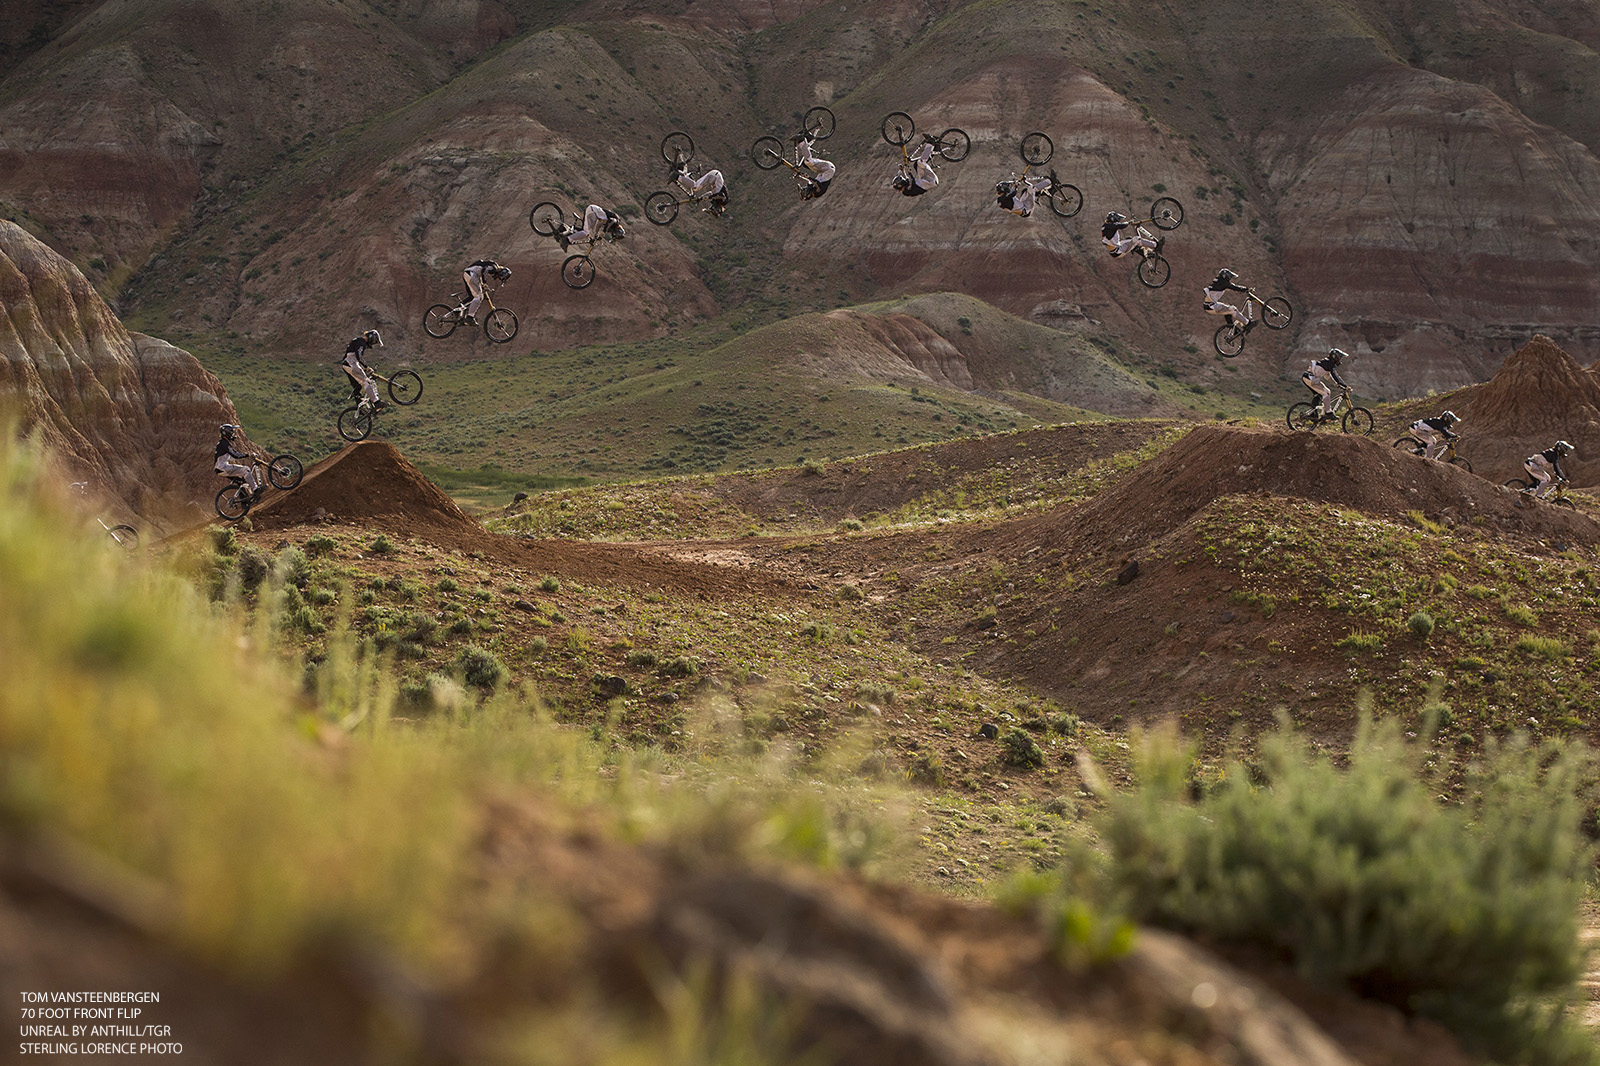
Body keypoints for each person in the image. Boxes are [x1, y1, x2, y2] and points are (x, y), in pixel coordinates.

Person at [1301, 348, 1351, 421]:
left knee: (1319, 395)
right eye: (1339, 357)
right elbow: (1335, 376)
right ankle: (1328, 413)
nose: (1340, 360)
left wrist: (1336, 384)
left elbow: (1328, 377)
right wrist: (1345, 386)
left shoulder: (1326, 362)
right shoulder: (1330, 364)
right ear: (1335, 357)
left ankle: (1313, 414)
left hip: (1307, 377)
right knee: (1326, 393)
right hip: (1311, 379)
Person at [213, 424, 260, 499]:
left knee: (240, 481)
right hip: (223, 468)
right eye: (231, 432)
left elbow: (230, 457)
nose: (232, 434)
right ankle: (256, 490)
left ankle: (244, 501)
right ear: (226, 433)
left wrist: (245, 456)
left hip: (220, 469)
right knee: (246, 469)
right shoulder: (224, 443)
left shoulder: (222, 443)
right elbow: (235, 455)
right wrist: (248, 455)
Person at [342, 329, 384, 410]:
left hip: (347, 364)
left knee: (357, 387)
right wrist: (366, 367)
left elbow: (355, 356)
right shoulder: (361, 342)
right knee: (366, 382)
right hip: (351, 364)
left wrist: (363, 368)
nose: (372, 344)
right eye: (373, 342)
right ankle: (376, 402)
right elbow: (359, 356)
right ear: (371, 338)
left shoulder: (358, 341)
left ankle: (359, 408)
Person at [461, 259, 509, 324]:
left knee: (472, 297)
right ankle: (470, 317)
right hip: (471, 274)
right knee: (479, 296)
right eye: (500, 276)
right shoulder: (494, 267)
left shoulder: (492, 264)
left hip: (468, 273)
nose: (498, 277)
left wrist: (482, 284)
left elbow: (480, 270)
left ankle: (458, 310)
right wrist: (484, 283)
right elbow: (484, 270)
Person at [561, 205, 627, 250]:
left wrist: (595, 235)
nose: (611, 233)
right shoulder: (615, 221)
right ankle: (566, 240)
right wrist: (603, 232)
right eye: (613, 233)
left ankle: (564, 230)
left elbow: (599, 224)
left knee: (583, 231)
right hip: (593, 212)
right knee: (586, 232)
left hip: (593, 211)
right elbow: (610, 222)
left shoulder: (607, 219)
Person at [793, 132, 835, 200]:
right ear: (808, 195)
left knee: (804, 163)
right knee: (809, 161)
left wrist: (799, 177)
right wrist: (808, 177)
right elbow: (816, 183)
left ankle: (808, 139)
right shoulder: (816, 193)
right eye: (805, 191)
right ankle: (801, 140)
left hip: (822, 171)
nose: (805, 189)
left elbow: (808, 182)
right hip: (828, 169)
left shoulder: (812, 189)